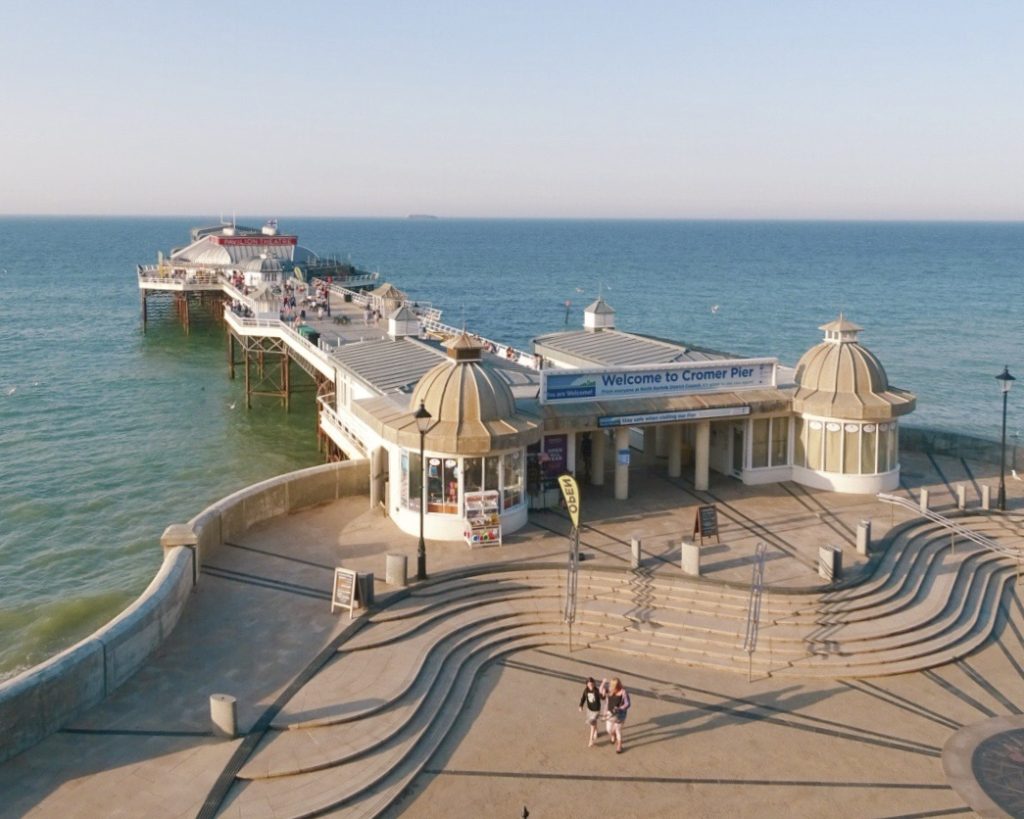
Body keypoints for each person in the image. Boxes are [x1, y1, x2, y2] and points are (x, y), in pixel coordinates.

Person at [605, 677, 630, 753]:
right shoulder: (610, 691)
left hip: (620, 715)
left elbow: (627, 704)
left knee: (618, 730)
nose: (617, 686)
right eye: (615, 685)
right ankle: (613, 735)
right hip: (610, 713)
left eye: (618, 684)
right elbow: (607, 702)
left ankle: (619, 745)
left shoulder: (623, 692)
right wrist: (605, 711)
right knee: (609, 729)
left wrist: (619, 708)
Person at [578, 678, 603, 747]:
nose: (591, 685)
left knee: (592, 724)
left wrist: (603, 693)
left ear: (594, 684)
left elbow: (602, 697)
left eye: (592, 684)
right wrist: (581, 705)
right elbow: (583, 698)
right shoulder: (586, 691)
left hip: (596, 710)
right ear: (587, 684)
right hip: (589, 709)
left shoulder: (596, 691)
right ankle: (596, 731)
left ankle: (591, 740)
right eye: (589, 684)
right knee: (593, 723)